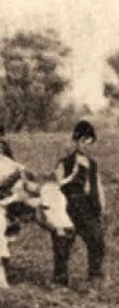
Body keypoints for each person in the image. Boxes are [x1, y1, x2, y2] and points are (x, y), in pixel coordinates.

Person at [51, 120, 107, 291]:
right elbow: (56, 185)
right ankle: (60, 280)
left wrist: (102, 207)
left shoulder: (93, 164)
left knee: (97, 240)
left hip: (90, 206)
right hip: (70, 205)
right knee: (63, 241)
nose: (86, 146)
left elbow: (97, 184)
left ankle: (94, 277)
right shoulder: (65, 162)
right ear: (76, 141)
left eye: (90, 143)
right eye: (83, 142)